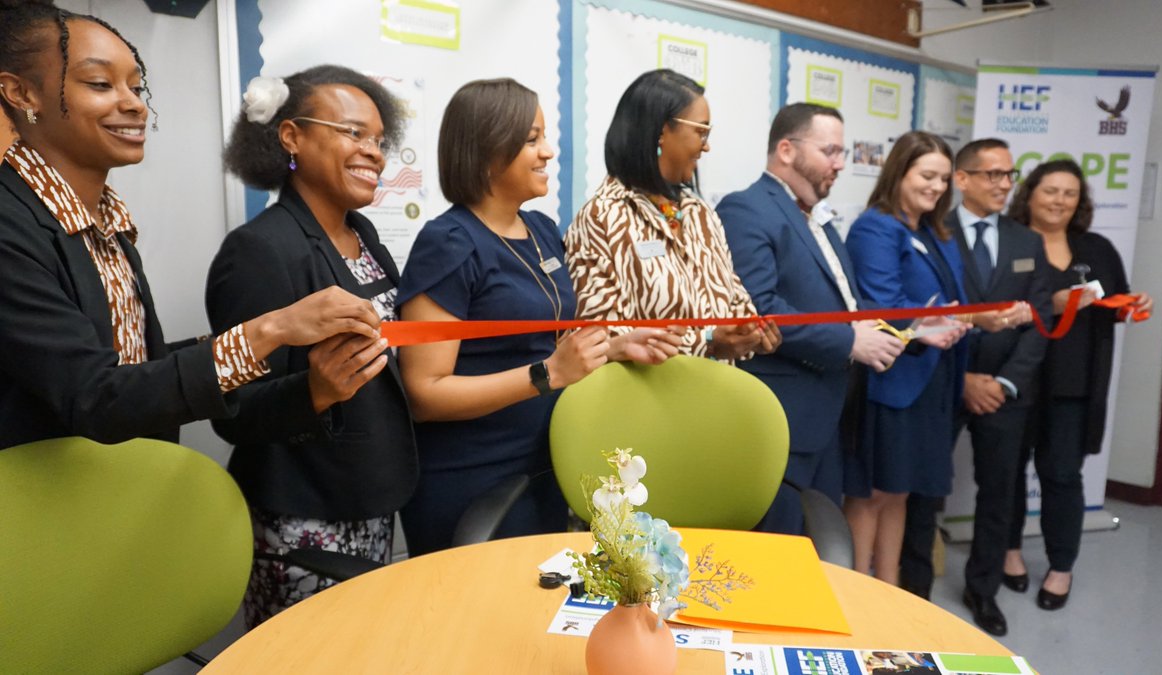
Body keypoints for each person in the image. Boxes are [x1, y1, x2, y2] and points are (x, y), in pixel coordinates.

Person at [0, 1, 378, 451]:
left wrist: (260, 340)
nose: (133, 104)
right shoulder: (12, 224)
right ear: (21, 94)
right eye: (100, 83)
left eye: (137, 87)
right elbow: (94, 395)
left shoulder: (106, 221)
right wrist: (270, 330)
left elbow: (134, 366)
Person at [397, 78, 679, 557]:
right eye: (531, 139)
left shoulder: (543, 230)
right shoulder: (447, 243)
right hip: (472, 480)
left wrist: (611, 348)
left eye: (543, 136)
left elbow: (541, 348)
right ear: (486, 148)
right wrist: (547, 375)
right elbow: (425, 393)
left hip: (543, 465)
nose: (547, 152)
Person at [206, 65, 419, 627]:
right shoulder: (258, 250)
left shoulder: (363, 236)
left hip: (370, 498)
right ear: (291, 137)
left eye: (378, 139)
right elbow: (233, 410)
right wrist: (315, 392)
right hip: (303, 515)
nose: (372, 151)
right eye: (352, 133)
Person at [717, 102, 904, 534]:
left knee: (818, 550)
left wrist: (900, 331)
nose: (840, 164)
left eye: (842, 153)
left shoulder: (817, 217)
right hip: (783, 421)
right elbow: (759, 307)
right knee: (776, 553)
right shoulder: (747, 209)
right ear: (786, 150)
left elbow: (843, 306)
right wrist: (848, 341)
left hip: (830, 416)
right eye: (830, 151)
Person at [901, 138, 1052, 637]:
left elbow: (1040, 320)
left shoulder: (1027, 242)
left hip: (1007, 392)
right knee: (925, 490)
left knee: (999, 494)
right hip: (944, 381)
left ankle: (981, 590)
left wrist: (1004, 383)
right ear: (961, 179)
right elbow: (923, 311)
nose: (1005, 185)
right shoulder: (935, 234)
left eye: (1009, 175)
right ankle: (913, 588)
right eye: (993, 175)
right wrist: (963, 379)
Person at [1003, 159, 1152, 610]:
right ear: (1030, 194)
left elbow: (1115, 303)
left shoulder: (1098, 248)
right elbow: (991, 304)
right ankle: (1009, 552)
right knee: (1006, 473)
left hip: (1073, 384)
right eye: (1050, 190)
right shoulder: (1009, 243)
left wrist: (1133, 304)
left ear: (1080, 201)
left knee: (1063, 476)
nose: (1060, 201)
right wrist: (1053, 301)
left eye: (1070, 193)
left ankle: (1061, 566)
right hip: (1015, 377)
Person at [565, 69, 781, 362]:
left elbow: (736, 301)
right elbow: (599, 337)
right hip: (646, 402)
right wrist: (706, 341)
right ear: (661, 131)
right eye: (701, 131)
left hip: (715, 397)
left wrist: (752, 332)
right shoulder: (602, 216)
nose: (706, 146)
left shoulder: (700, 212)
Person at [841, 131, 970, 587]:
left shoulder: (935, 232)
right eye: (926, 175)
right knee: (872, 492)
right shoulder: (876, 227)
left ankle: (890, 589)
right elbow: (885, 307)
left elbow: (950, 303)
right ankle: (859, 591)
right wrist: (936, 326)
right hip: (889, 381)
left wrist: (976, 319)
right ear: (900, 171)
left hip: (930, 382)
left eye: (942, 179)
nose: (935, 187)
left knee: (899, 492)